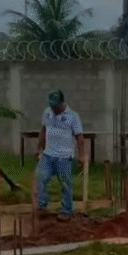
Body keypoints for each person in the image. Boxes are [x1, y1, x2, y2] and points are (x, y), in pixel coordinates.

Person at [35, 90, 85, 222]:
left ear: (62, 103)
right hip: (48, 154)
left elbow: (79, 137)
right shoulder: (47, 112)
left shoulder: (73, 116)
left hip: (64, 157)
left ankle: (67, 211)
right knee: (41, 178)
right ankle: (42, 207)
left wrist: (82, 156)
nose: (53, 108)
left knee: (66, 184)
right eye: (52, 105)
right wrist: (39, 148)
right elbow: (43, 131)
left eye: (56, 106)